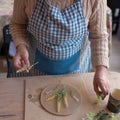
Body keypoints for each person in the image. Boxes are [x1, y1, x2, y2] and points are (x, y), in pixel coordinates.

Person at [10, 0, 110, 99]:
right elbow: (18, 24)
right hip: (35, 70)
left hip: (76, 71)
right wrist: (21, 46)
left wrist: (101, 69)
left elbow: (99, 35)